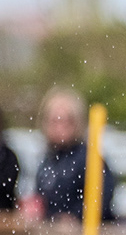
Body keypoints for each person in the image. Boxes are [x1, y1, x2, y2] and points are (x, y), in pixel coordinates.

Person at [28, 88, 116, 224]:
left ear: (77, 122)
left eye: (66, 120)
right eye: (55, 120)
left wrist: (75, 217)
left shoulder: (88, 158)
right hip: (50, 234)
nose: (60, 127)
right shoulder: (48, 159)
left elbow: (101, 199)